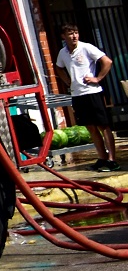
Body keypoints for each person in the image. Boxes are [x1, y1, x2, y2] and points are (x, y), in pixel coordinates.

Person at [55, 23, 117, 170]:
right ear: (63, 36)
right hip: (77, 94)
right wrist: (67, 81)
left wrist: (98, 78)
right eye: (70, 33)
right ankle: (102, 158)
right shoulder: (63, 53)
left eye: (76, 32)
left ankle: (112, 160)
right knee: (90, 127)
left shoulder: (86, 47)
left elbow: (107, 61)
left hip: (92, 92)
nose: (74, 36)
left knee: (103, 125)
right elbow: (58, 68)